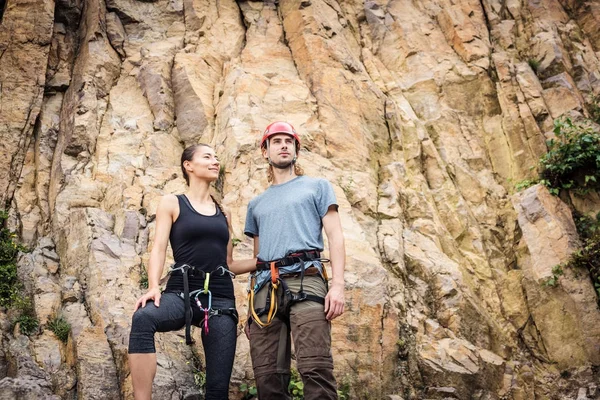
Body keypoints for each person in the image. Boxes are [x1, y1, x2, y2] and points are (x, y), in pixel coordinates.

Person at [128, 143, 255, 400]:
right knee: (143, 318)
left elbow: (229, 264)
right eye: (207, 157)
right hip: (181, 293)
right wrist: (154, 286)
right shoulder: (172, 203)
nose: (215, 161)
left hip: (220, 298)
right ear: (189, 166)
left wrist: (267, 262)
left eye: (217, 157)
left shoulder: (224, 212)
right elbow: (159, 247)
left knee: (218, 390)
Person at [244, 121, 346, 400]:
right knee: (267, 378)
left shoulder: (317, 187)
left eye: (288, 141)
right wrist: (249, 307)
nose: (283, 145)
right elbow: (258, 259)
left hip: (307, 279)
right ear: (265, 151)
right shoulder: (256, 204)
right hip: (265, 292)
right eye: (275, 141)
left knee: (316, 368)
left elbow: (336, 237)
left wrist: (337, 286)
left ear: (296, 149)